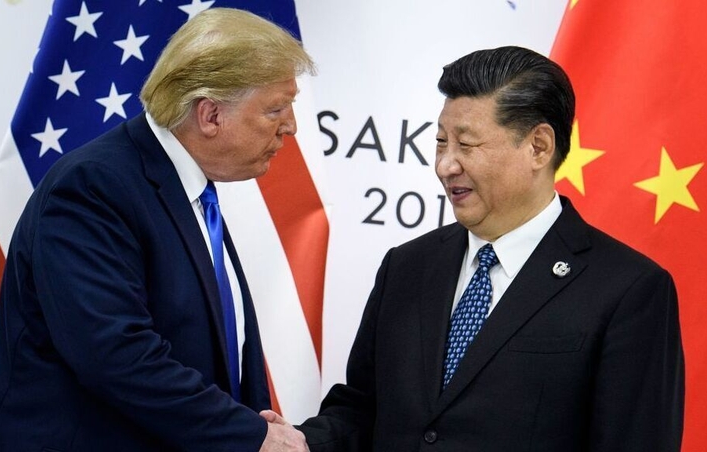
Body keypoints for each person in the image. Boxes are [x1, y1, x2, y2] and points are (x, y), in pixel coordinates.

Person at [277, 46, 684, 451]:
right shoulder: (406, 266)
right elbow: (363, 409)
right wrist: (300, 444)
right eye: (440, 142)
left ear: (538, 147)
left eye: (466, 145)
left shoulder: (628, 291)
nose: (445, 165)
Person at [0, 8, 314, 452]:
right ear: (210, 115)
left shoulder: (189, 191)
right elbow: (115, 354)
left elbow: (212, 345)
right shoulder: (93, 187)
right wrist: (250, 436)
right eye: (276, 109)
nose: (291, 127)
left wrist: (253, 422)